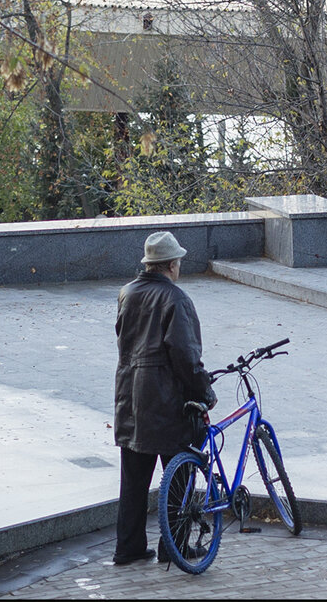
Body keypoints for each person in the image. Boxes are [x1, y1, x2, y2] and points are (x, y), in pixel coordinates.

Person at [112, 231, 217, 565]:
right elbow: (186, 357)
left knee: (133, 482)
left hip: (129, 398)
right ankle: (173, 548)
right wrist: (205, 391)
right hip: (166, 402)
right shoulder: (176, 300)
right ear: (172, 265)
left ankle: (127, 549)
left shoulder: (127, 293)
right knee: (178, 479)